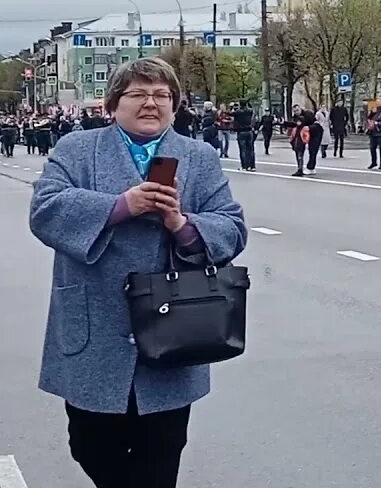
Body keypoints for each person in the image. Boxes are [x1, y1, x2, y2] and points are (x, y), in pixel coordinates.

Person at [28, 57, 247, 488]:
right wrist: (121, 206)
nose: (151, 103)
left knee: (159, 456)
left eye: (162, 95)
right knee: (89, 444)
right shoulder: (77, 149)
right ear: (113, 103)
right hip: (95, 326)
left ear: (174, 104)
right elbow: (45, 211)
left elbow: (233, 226)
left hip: (176, 329)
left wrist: (182, 225)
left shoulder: (198, 157)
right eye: (139, 94)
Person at [231, 101, 255, 172]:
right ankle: (252, 166)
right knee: (250, 149)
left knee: (243, 149)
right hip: (249, 131)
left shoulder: (238, 112)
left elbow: (230, 113)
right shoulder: (250, 111)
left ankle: (244, 166)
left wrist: (233, 108)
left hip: (241, 131)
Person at [366, 97, 381, 170]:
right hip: (373, 131)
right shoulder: (375, 110)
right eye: (377, 102)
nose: (377, 103)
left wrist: (378, 123)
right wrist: (372, 113)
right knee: (372, 147)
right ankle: (374, 162)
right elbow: (369, 117)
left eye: (379, 102)